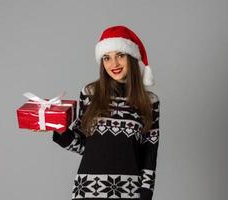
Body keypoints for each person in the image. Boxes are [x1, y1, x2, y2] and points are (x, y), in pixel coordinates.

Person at [36, 25, 160, 200]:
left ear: (131, 57)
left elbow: (149, 156)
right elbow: (83, 145)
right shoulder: (89, 93)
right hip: (87, 190)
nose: (114, 64)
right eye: (106, 58)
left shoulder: (150, 102)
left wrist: (146, 195)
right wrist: (56, 126)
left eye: (120, 55)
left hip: (129, 192)